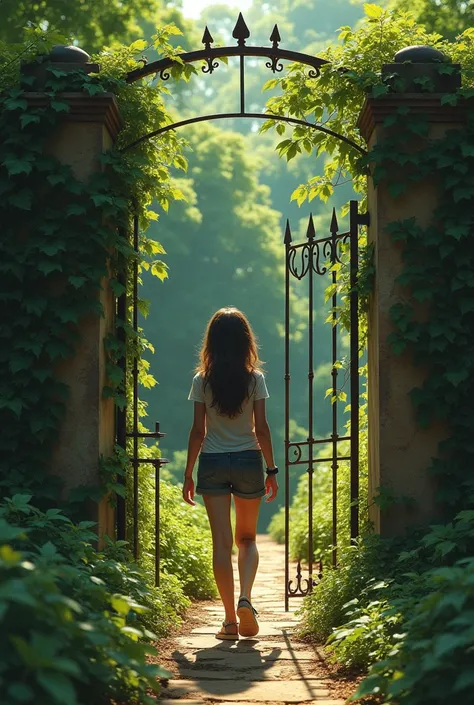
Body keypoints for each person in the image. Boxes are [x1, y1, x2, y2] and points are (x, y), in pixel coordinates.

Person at [182, 307, 279, 640]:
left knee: (221, 544)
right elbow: (262, 428)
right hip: (249, 461)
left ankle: (229, 621)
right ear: (245, 341)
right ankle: (246, 599)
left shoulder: (201, 381)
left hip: (212, 462)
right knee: (247, 539)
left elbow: (198, 431)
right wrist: (271, 469)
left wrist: (188, 474)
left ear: (211, 341)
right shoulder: (255, 379)